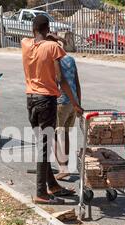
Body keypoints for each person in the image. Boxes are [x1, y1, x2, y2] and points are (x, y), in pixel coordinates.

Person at [21, 15, 77, 205]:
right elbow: (61, 79)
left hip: (31, 100)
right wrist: (75, 103)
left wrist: (45, 36)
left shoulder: (25, 44)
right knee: (44, 148)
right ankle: (41, 193)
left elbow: (35, 39)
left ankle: (52, 185)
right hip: (46, 100)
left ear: (32, 29)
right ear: (48, 28)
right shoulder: (53, 48)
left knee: (42, 142)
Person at [47, 36, 84, 181]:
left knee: (54, 133)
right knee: (66, 133)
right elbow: (77, 83)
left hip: (61, 102)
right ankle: (65, 164)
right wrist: (78, 104)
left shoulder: (53, 62)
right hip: (72, 103)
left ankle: (63, 168)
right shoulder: (70, 59)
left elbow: (59, 82)